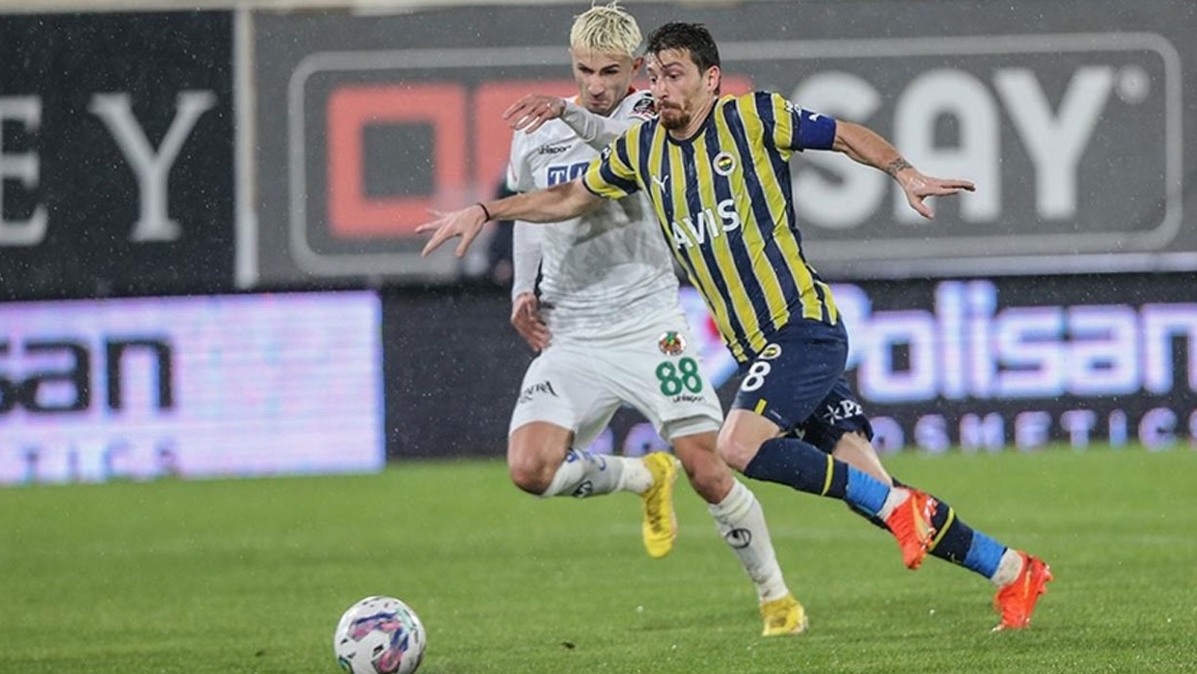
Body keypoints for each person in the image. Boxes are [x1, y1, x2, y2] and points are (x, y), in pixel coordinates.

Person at [420, 21, 1053, 632]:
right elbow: (567, 198)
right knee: (874, 491)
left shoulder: (753, 117)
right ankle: (1011, 570)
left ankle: (892, 519)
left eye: (674, 75)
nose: (661, 89)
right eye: (655, 76)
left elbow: (844, 135)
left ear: (711, 79)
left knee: (737, 447)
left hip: (801, 324)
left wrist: (904, 172)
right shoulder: (641, 149)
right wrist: (486, 209)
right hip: (756, 346)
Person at [493, 3, 808, 637]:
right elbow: (531, 207)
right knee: (530, 469)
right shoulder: (536, 131)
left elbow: (623, 155)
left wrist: (568, 114)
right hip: (573, 329)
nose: (597, 85)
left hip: (648, 325)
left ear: (637, 68)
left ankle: (776, 597)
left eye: (611, 71)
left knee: (707, 468)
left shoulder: (653, 115)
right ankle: (642, 475)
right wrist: (524, 289)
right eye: (585, 70)